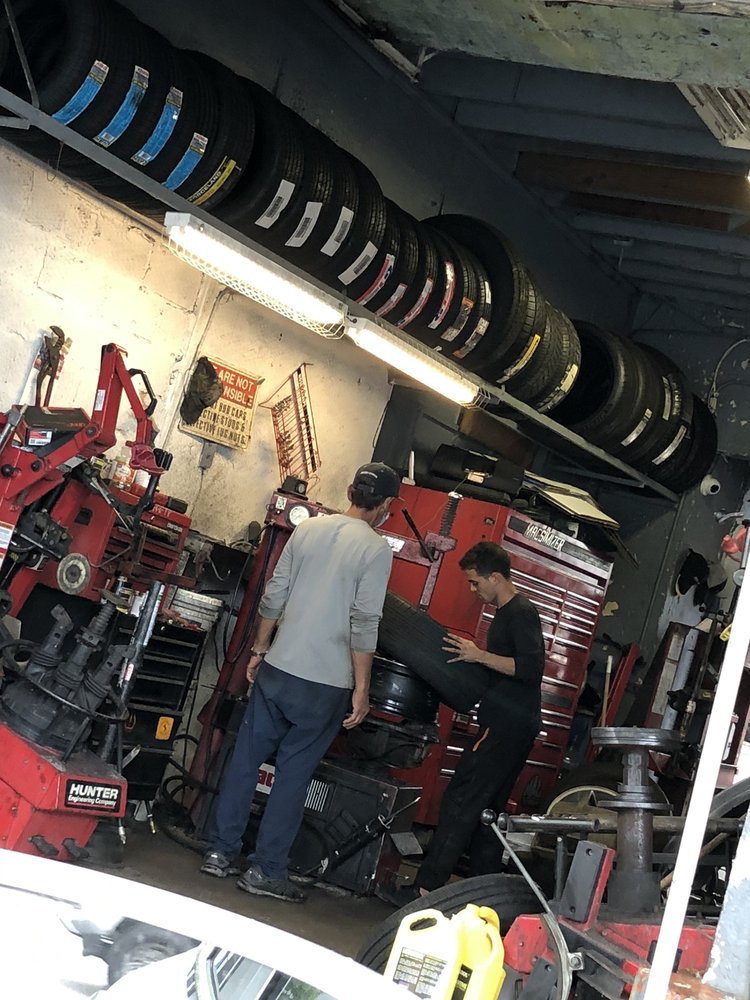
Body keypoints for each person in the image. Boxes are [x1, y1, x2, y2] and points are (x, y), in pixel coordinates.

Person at [200, 462, 400, 902]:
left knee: (245, 760)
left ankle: (219, 852)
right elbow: (364, 622)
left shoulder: (307, 529)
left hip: (278, 668)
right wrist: (361, 688)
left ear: (350, 491)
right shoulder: (376, 550)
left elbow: (274, 593)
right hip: (324, 685)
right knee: (293, 775)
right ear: (386, 505)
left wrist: (259, 649)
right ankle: (266, 871)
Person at [387, 540, 544, 904]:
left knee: (461, 802)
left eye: (475, 582)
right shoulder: (507, 613)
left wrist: (479, 656)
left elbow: (531, 669)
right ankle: (487, 899)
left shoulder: (520, 612)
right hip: (514, 724)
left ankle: (425, 890)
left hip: (504, 726)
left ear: (495, 577)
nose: (473, 590)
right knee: (488, 814)